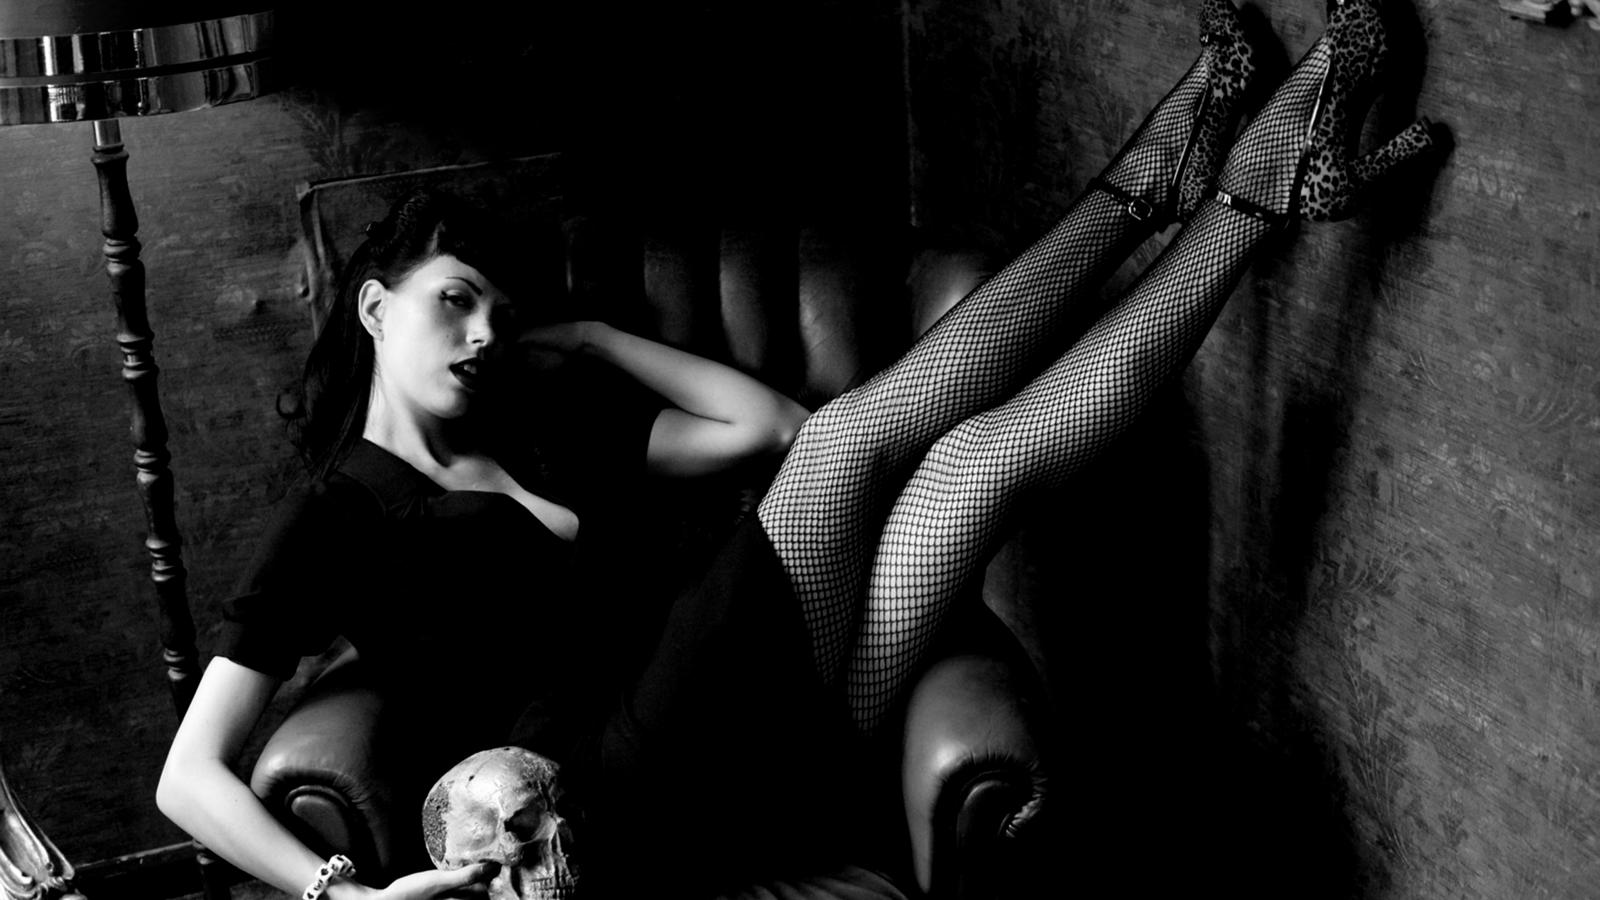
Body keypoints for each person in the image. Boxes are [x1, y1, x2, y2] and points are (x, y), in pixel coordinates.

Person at [158, 0, 1442, 896]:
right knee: (850, 446)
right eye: (454, 300)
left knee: (975, 466)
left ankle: (1249, 200)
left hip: (751, 737)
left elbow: (757, 427)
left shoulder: (542, 432)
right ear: (374, 309)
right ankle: (1170, 182)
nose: (485, 330)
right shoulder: (334, 516)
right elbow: (188, 781)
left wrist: (593, 337)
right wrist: (336, 895)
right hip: (615, 790)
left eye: (498, 307)